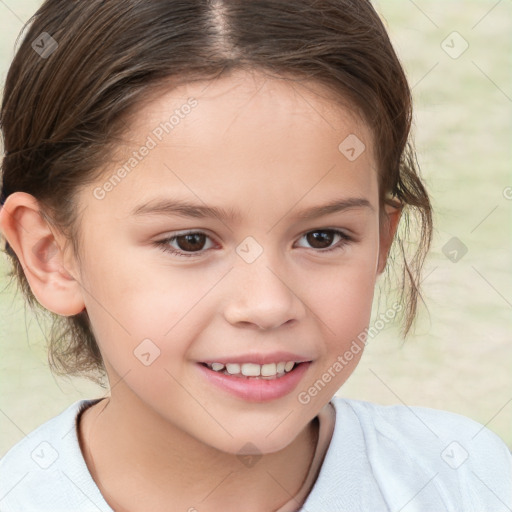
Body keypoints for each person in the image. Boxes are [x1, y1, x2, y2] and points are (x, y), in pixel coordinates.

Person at [0, 1, 510, 511]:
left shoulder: (463, 480)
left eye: (322, 237)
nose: (267, 305)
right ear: (50, 254)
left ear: (381, 238)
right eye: (190, 241)